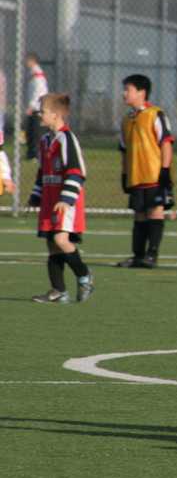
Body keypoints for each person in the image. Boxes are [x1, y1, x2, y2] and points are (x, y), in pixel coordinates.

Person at [27, 93, 93, 304]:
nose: (39, 114)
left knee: (61, 240)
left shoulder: (66, 139)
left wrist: (66, 198)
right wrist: (36, 195)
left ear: (55, 115)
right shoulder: (45, 140)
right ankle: (58, 291)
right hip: (49, 199)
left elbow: (76, 172)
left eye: (43, 111)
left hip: (65, 201)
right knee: (52, 243)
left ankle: (84, 276)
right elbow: (42, 172)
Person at [115, 74, 175, 269]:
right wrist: (124, 174)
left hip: (154, 175)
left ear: (141, 92)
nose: (124, 93)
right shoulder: (126, 119)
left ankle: (152, 255)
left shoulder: (155, 114)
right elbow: (124, 150)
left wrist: (165, 170)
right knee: (139, 215)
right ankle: (138, 256)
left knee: (155, 212)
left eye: (128, 89)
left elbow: (166, 143)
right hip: (135, 176)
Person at [24, 53, 49, 160]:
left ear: (32, 61)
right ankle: (31, 154)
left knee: (36, 133)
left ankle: (36, 154)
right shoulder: (33, 74)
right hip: (34, 107)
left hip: (37, 108)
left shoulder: (38, 76)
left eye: (27, 60)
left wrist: (31, 106)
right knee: (30, 132)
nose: (25, 62)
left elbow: (38, 93)